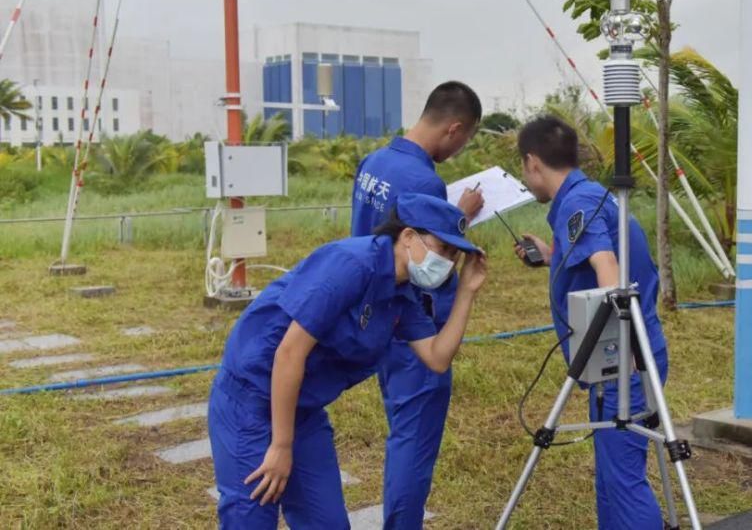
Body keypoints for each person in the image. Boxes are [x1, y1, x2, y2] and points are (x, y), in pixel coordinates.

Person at [208, 194, 487, 529]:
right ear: (409, 237)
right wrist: (281, 446)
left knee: (327, 523)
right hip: (251, 400)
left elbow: (437, 357)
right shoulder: (351, 264)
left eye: (455, 256)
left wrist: (467, 292)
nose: (448, 262)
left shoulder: (403, 292)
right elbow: (289, 353)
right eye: (443, 250)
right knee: (250, 517)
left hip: (303, 409)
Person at [513, 115, 669, 530]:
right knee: (613, 481)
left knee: (624, 484)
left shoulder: (578, 203)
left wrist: (623, 353)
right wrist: (553, 255)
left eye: (524, 170)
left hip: (624, 363)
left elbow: (607, 265)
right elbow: (600, 251)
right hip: (635, 353)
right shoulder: (591, 195)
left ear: (532, 162)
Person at [350, 81, 484, 527]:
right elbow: (431, 261)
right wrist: (459, 217)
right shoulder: (425, 179)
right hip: (415, 325)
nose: (458, 150)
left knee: (401, 430)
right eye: (463, 141)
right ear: (454, 128)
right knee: (413, 440)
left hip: (377, 315)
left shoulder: (374, 162)